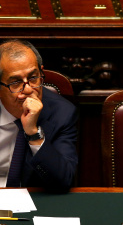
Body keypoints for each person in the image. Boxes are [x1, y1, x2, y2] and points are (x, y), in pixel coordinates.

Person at [0, 39, 78, 193]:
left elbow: (63, 180)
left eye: (33, 78)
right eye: (15, 82)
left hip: (33, 202)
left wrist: (34, 134)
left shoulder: (62, 113)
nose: (28, 89)